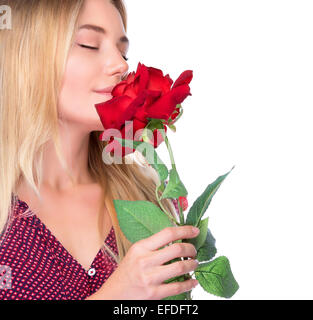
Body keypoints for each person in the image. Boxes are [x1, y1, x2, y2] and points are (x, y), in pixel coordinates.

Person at [0, 0, 199, 300]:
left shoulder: (146, 196)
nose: (121, 65)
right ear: (27, 57)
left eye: (123, 50)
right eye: (89, 44)